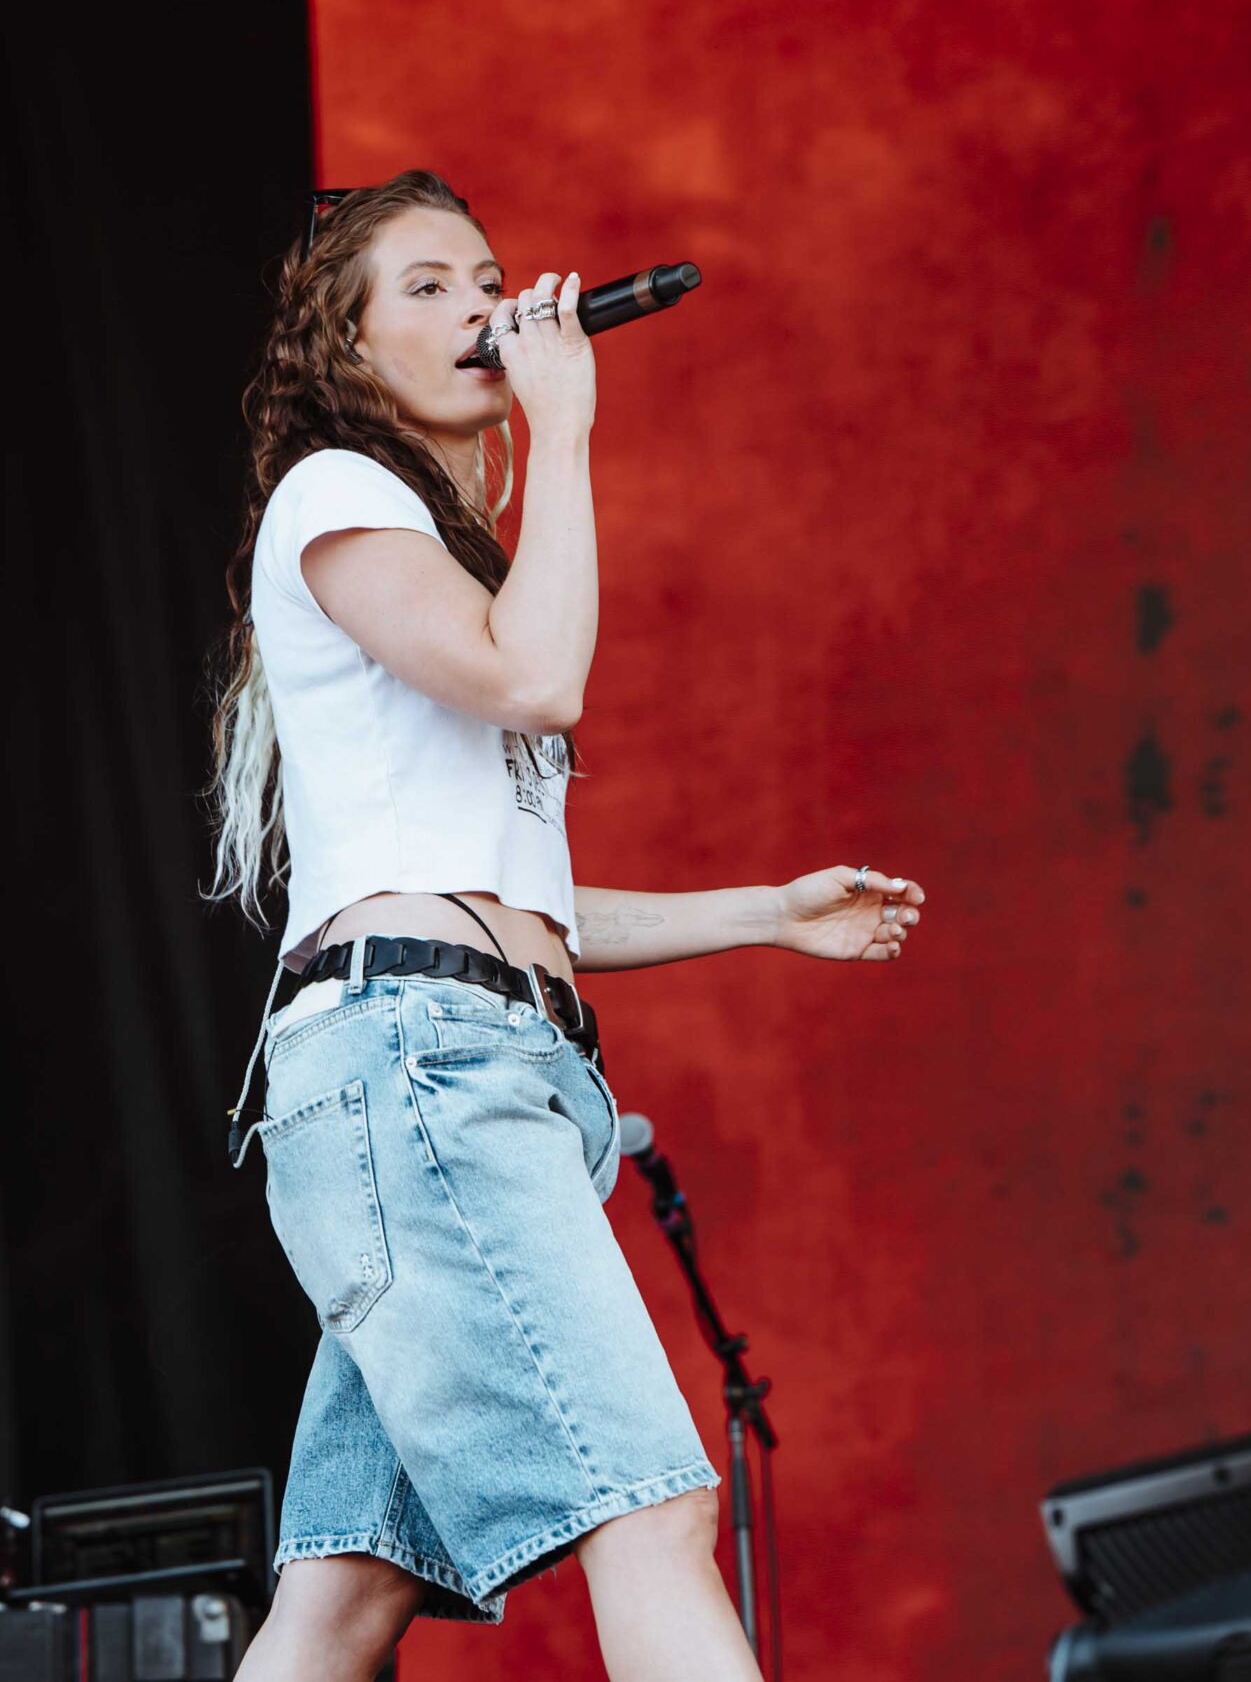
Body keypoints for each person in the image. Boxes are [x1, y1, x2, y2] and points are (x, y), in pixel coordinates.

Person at [201, 169, 923, 1681]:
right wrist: (572, 421)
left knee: (346, 1592)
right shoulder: (342, 495)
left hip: (462, 1065)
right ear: (346, 350)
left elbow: (517, 904)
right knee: (653, 1504)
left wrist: (766, 915)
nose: (483, 304)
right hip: (420, 1068)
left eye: (489, 274)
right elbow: (539, 680)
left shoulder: (454, 565)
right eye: (431, 287)